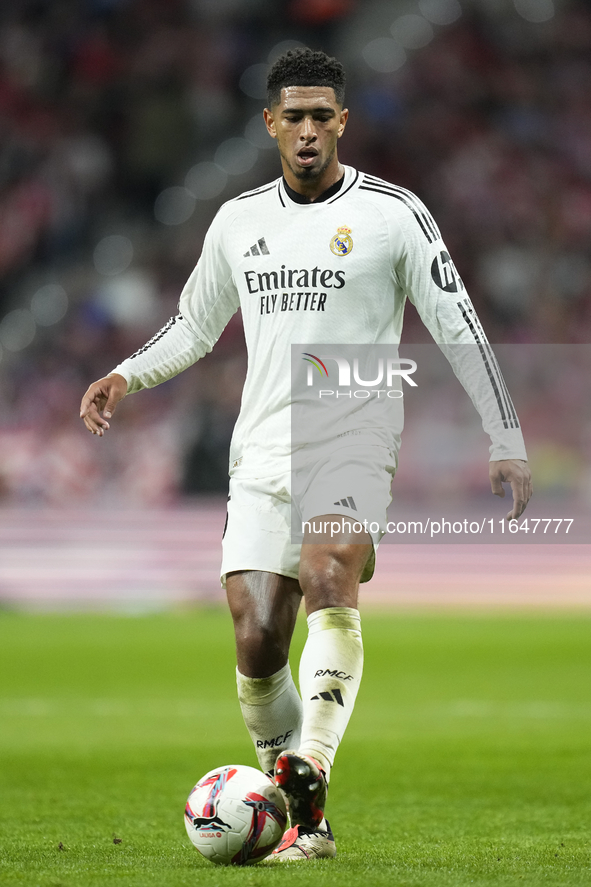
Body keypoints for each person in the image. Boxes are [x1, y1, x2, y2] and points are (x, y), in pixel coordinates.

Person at [80, 48, 532, 861]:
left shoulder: (394, 214)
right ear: (269, 124)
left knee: (329, 570)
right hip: (260, 447)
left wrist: (504, 436)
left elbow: (455, 320)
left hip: (353, 428)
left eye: (323, 114)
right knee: (257, 641)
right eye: (294, 115)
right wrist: (123, 374)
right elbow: (192, 323)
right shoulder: (238, 221)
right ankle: (305, 822)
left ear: (343, 122)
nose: (309, 128)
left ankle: (311, 761)